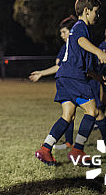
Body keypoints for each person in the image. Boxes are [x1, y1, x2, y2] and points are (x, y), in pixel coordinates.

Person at [34, 0, 106, 166]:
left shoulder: (83, 35)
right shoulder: (79, 27)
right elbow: (80, 39)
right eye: (95, 12)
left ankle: (45, 149)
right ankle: (77, 150)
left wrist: (99, 78)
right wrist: (99, 52)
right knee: (92, 111)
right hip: (73, 77)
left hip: (64, 77)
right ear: (86, 11)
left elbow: (88, 67)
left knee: (67, 116)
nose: (97, 16)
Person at [28, 16, 76, 148]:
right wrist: (41, 73)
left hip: (75, 83)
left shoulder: (75, 46)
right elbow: (58, 66)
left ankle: (64, 144)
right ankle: (65, 144)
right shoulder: (65, 48)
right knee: (72, 115)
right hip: (68, 83)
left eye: (63, 32)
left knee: (74, 115)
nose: (61, 35)